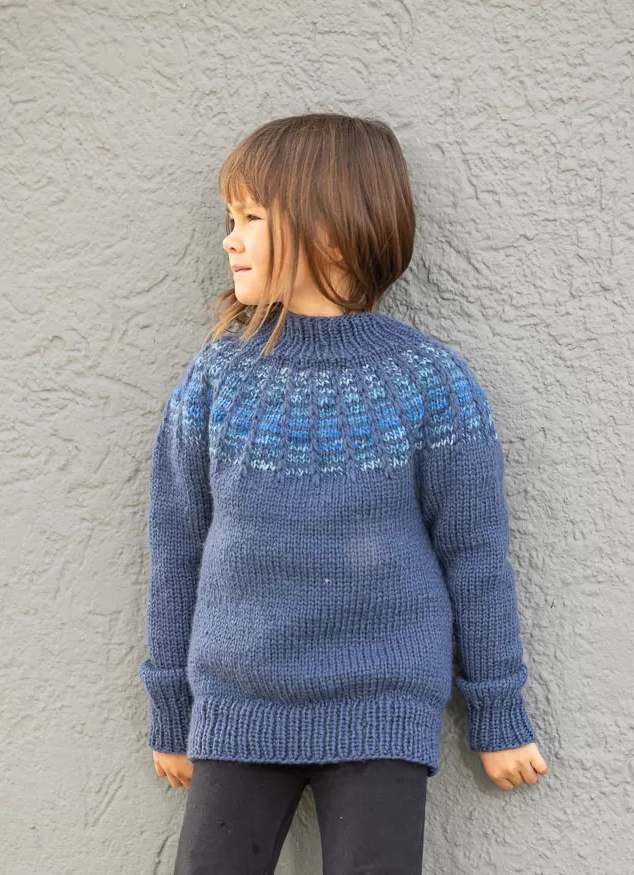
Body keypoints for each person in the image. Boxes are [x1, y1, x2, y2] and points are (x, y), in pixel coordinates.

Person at [138, 112, 549, 874]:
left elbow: (476, 556)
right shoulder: (217, 379)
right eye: (231, 218)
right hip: (239, 706)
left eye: (251, 218)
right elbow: (176, 546)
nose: (229, 239)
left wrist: (498, 711)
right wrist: (171, 705)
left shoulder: (430, 383)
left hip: (380, 710)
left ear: (330, 235)